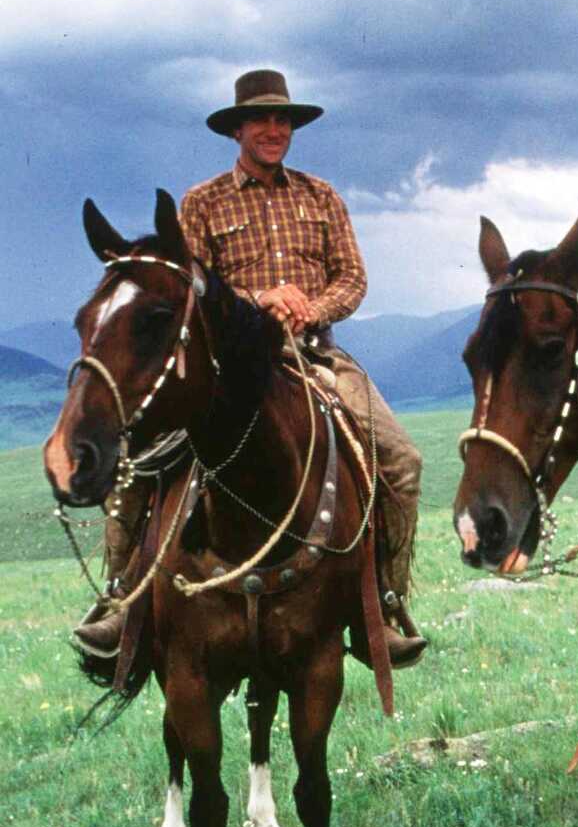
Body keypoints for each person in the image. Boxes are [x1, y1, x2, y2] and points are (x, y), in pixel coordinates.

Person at [75, 69, 426, 666]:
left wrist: (308, 308)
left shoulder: (321, 197)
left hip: (314, 354)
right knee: (142, 462)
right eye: (260, 119)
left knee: (401, 461)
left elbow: (354, 277)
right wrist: (255, 305)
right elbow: (190, 289)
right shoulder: (203, 202)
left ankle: (386, 606)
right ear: (237, 129)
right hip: (227, 368)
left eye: (282, 119)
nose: (273, 129)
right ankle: (119, 600)